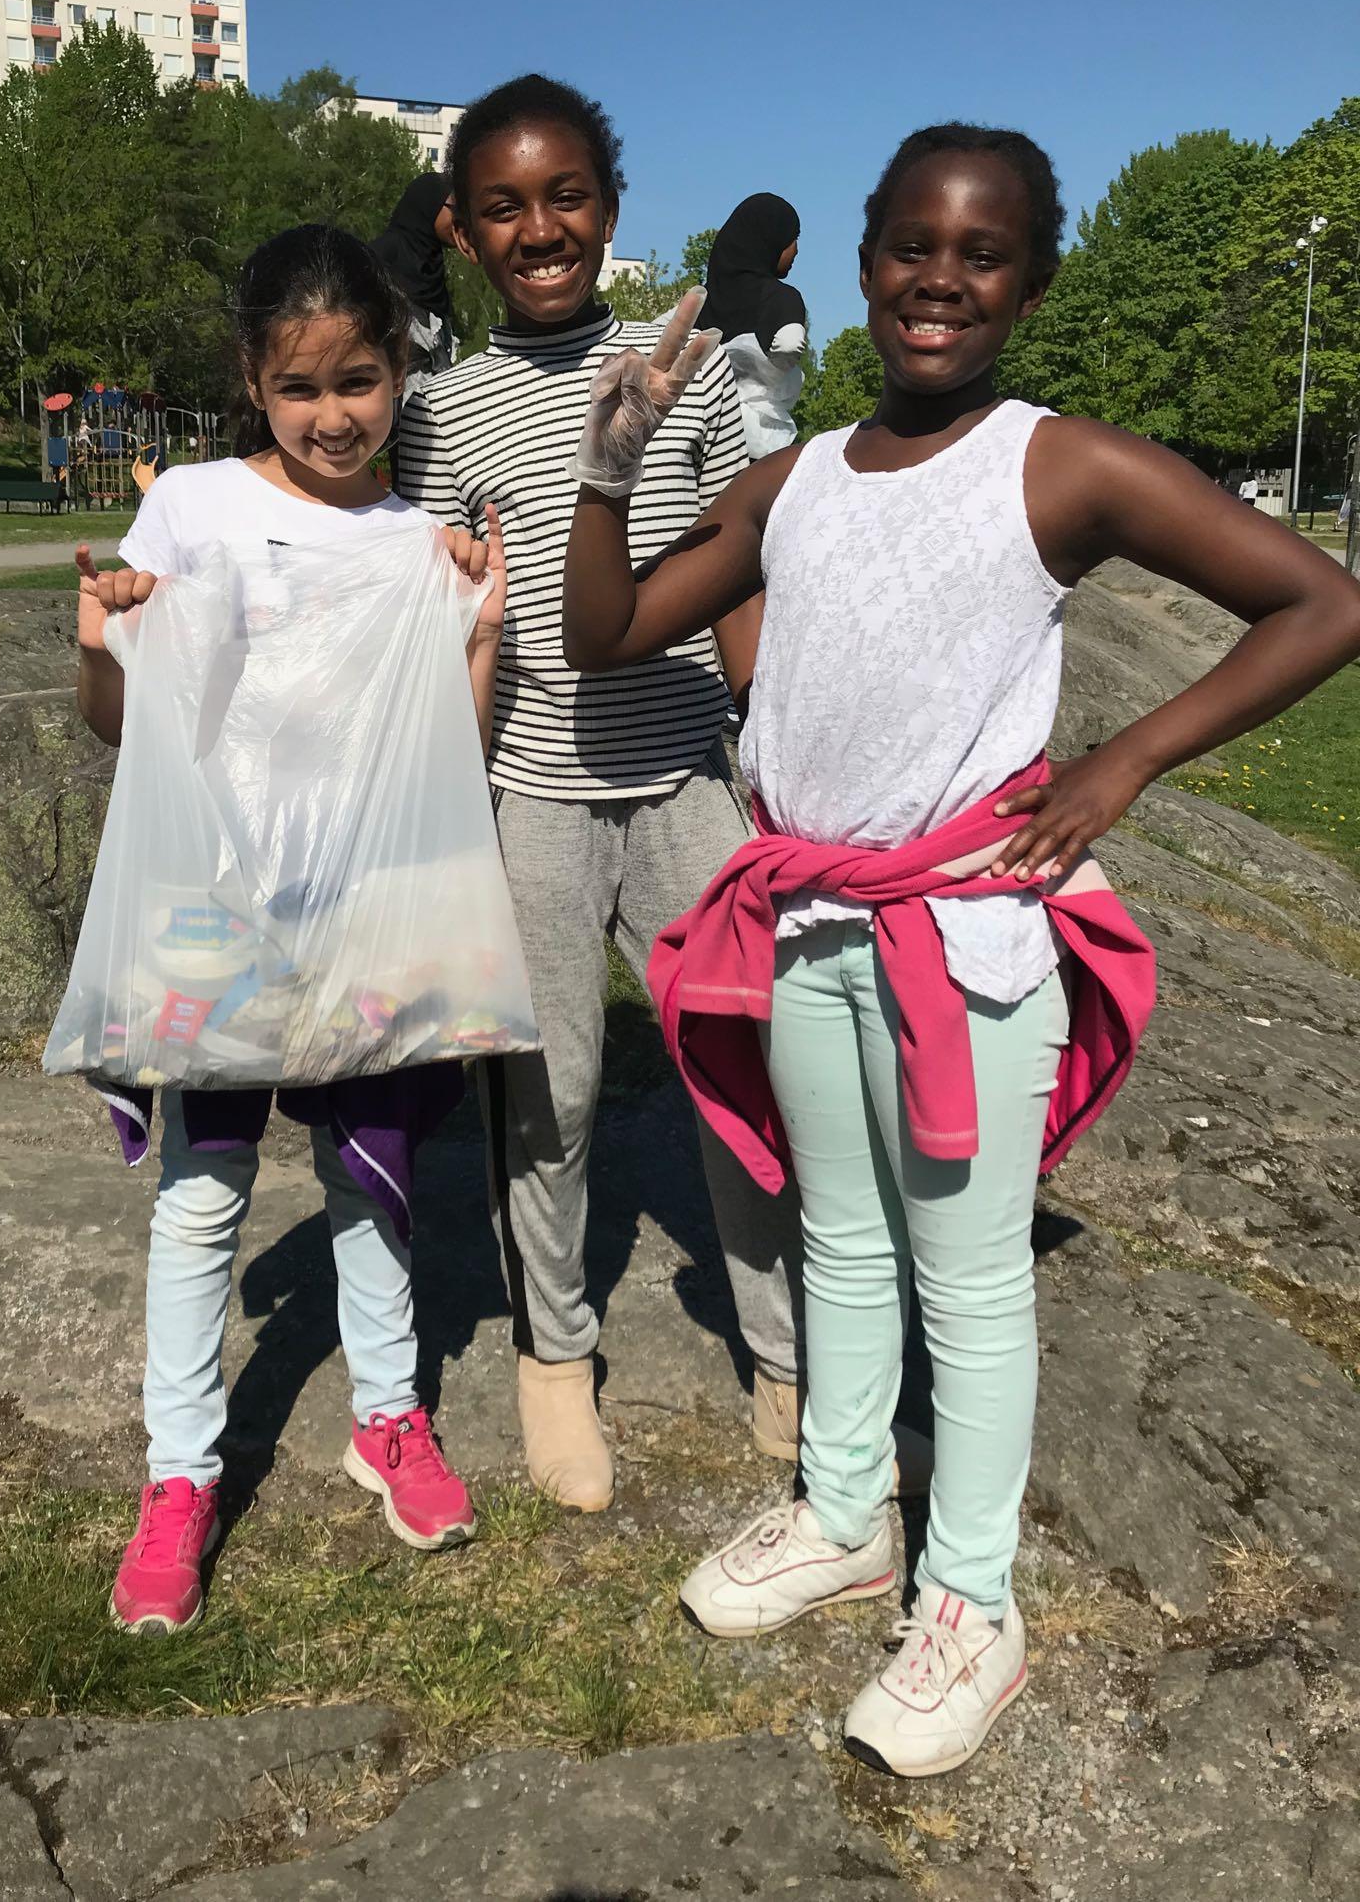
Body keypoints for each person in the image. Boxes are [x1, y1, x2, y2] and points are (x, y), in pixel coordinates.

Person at [560, 122, 1360, 1776]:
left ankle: (974, 1599)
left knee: (971, 1277)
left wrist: (1121, 760)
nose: (941, 275)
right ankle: (850, 1509)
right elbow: (611, 629)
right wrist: (610, 465)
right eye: (913, 244)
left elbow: (1321, 601)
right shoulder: (800, 476)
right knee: (841, 1236)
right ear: (863, 265)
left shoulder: (1055, 463)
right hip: (811, 919)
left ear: (1028, 281)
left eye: (980, 252)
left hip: (966, 937)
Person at [73, 224, 506, 1634]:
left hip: (366, 905)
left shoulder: (412, 542)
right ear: (255, 379)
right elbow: (118, 728)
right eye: (301, 385)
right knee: (203, 1200)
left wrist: (481, 627)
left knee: (369, 1177)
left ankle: (387, 1416)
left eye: (362, 380)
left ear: (400, 375)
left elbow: (463, 739)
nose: (334, 414)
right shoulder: (192, 509)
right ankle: (179, 1475)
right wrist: (103, 638)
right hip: (213, 907)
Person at [393, 75, 805, 1514]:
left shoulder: (673, 362)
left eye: (566, 195)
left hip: (687, 774)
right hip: (536, 798)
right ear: (463, 231)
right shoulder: (439, 409)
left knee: (745, 1075)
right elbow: (447, 613)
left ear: (610, 211)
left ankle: (786, 1355)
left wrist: (769, 750)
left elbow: (728, 565)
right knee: (550, 1091)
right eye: (503, 205)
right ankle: (554, 1357)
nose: (541, 226)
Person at [697, 195, 809, 459]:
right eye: (793, 239)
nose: (796, 250)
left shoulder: (701, 301)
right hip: (760, 442)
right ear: (771, 241)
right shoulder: (782, 297)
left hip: (705, 436)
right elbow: (789, 344)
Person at [370, 174, 459, 399]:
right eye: (456, 210)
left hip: (432, 407)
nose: (462, 220)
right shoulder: (380, 259)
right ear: (428, 206)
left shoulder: (430, 268)